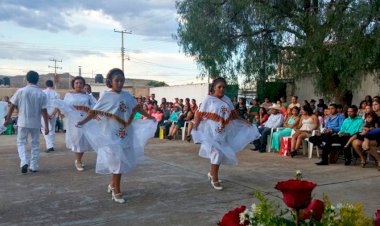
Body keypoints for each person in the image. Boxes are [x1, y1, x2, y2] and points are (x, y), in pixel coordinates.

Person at [77, 68, 157, 203]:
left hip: (125, 132)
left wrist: (150, 117)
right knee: (117, 161)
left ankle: (113, 184)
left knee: (120, 160)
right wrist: (83, 121)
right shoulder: (106, 96)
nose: (119, 83)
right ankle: (116, 190)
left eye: (122, 80)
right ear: (110, 82)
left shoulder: (127, 95)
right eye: (116, 81)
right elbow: (94, 112)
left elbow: (137, 108)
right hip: (111, 133)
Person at [192, 77, 260, 190]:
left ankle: (212, 174)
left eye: (224, 87)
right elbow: (199, 114)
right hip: (211, 130)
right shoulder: (208, 100)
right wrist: (195, 128)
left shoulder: (227, 100)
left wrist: (245, 121)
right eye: (219, 87)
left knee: (218, 153)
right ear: (214, 88)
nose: (222, 89)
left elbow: (234, 115)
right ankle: (215, 179)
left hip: (222, 130)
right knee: (217, 153)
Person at [3, 71, 49, 173]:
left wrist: (8, 119)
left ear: (27, 79)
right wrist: (46, 126)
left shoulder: (21, 91)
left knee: (21, 142)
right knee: (35, 144)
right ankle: (34, 166)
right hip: (36, 122)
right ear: (37, 80)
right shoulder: (41, 93)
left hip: (22, 121)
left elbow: (12, 106)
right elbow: (44, 111)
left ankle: (24, 161)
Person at [57, 76, 97, 171]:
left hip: (85, 120)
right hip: (73, 121)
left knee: (83, 140)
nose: (79, 85)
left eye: (81, 83)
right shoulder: (69, 95)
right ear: (73, 84)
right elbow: (64, 107)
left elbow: (96, 106)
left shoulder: (88, 96)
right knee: (77, 140)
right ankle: (78, 161)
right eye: (76, 83)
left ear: (83, 85)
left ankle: (78, 159)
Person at [41, 80, 61, 153]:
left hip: (44, 113)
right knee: (52, 129)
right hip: (53, 113)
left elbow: (40, 105)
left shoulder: (42, 93)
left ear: (46, 85)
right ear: (52, 85)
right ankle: (51, 145)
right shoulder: (56, 94)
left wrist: (46, 114)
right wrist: (52, 114)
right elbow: (58, 105)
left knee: (44, 129)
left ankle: (50, 146)